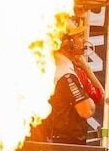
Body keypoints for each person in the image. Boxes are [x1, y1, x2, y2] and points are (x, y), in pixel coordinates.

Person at [34, 16, 99, 144]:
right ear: (66, 43)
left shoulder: (58, 66)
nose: (83, 40)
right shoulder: (64, 73)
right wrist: (90, 101)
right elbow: (87, 110)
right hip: (64, 145)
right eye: (79, 37)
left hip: (59, 142)